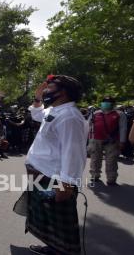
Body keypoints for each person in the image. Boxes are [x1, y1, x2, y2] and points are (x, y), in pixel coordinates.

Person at [21, 75, 88, 255]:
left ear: (63, 92)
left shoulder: (70, 117)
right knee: (47, 218)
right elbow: (36, 114)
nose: (45, 91)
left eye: (49, 88)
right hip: (41, 174)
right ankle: (53, 248)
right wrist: (37, 99)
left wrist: (66, 185)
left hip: (54, 179)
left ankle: (63, 251)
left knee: (59, 222)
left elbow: (73, 153)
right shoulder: (56, 110)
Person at [88, 96, 127, 185]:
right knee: (95, 159)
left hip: (112, 141)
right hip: (95, 139)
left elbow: (123, 128)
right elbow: (89, 126)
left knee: (111, 160)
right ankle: (95, 176)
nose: (106, 103)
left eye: (108, 102)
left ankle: (111, 179)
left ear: (113, 104)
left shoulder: (119, 114)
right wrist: (89, 139)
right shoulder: (95, 113)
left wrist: (122, 141)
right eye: (104, 101)